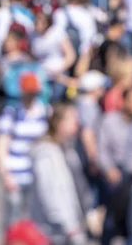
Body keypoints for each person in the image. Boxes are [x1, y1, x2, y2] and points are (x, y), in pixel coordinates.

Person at [99, 87, 132, 245]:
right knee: (110, 220)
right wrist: (108, 169)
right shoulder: (109, 121)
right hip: (115, 175)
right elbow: (102, 149)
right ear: (124, 101)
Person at [0, 72, 50, 229]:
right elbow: (1, 144)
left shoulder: (44, 112)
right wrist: (5, 174)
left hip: (36, 174)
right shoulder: (11, 113)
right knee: (14, 220)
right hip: (16, 174)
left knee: (34, 221)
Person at [30, 104, 87, 245]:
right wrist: (68, 225)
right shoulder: (46, 155)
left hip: (66, 229)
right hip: (53, 232)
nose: (76, 123)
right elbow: (49, 193)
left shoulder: (67, 150)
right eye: (72, 119)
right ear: (59, 123)